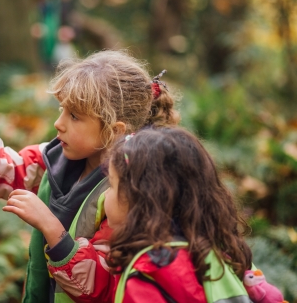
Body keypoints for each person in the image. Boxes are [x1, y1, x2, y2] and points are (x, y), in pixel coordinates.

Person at [0, 50, 179, 302]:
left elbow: (99, 284)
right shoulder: (57, 157)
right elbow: (2, 173)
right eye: (62, 110)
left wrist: (49, 226)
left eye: (74, 116)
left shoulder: (127, 192)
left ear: (114, 130)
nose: (58, 123)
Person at [105, 128, 277, 303]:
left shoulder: (149, 274)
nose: (105, 195)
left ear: (141, 198)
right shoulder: (224, 255)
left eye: (111, 184)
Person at [27, 0, 77, 74]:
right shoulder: (31, 1)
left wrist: (69, 31)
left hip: (58, 44)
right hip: (37, 49)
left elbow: (74, 21)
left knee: (66, 59)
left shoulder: (63, 0)